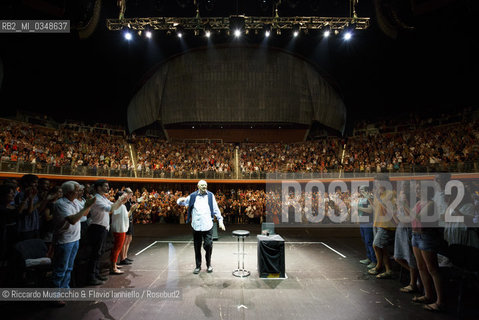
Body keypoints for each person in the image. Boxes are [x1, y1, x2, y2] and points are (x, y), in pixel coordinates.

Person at [51, 181, 96, 306]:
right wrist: (86, 206)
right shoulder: (61, 204)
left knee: (69, 268)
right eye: (77, 190)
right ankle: (55, 296)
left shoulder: (75, 201)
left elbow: (84, 215)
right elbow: (73, 219)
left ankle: (65, 290)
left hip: (74, 238)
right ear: (69, 192)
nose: (79, 192)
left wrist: (88, 206)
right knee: (60, 269)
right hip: (64, 240)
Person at [177, 180, 225, 274]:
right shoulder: (193, 196)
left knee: (208, 245)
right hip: (196, 226)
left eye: (205, 185)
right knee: (197, 247)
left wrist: (220, 220)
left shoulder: (211, 196)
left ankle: (208, 264)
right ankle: (198, 266)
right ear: (198, 186)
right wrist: (180, 200)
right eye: (202, 185)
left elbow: (216, 209)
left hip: (207, 225)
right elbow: (182, 203)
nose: (204, 187)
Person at [86, 179, 127, 285]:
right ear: (99, 188)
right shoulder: (96, 199)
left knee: (99, 253)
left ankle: (96, 273)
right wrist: (120, 200)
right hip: (97, 228)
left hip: (103, 228)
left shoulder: (103, 198)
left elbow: (113, 207)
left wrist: (120, 201)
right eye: (105, 186)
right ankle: (91, 276)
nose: (108, 188)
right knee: (95, 253)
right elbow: (110, 208)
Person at [110, 188, 138, 274]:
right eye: (125, 197)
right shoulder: (118, 206)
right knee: (116, 249)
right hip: (118, 229)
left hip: (121, 229)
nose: (127, 198)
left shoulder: (122, 206)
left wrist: (131, 210)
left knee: (117, 248)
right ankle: (113, 267)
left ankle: (114, 265)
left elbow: (126, 216)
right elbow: (113, 212)